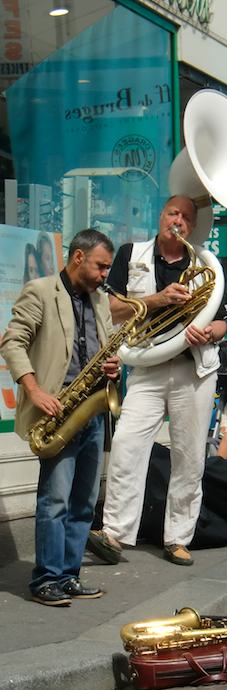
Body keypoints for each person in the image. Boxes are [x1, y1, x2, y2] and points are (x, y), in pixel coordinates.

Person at [86, 195, 227, 568]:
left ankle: (178, 538)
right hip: (146, 364)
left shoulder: (206, 264)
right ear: (161, 217)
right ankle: (114, 533)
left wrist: (210, 332)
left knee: (189, 455)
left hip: (193, 368)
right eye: (172, 213)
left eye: (184, 217)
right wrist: (158, 299)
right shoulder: (131, 254)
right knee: (128, 443)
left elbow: (223, 320)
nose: (177, 221)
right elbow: (110, 308)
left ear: (193, 226)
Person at [0, 229, 119, 606]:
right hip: (58, 410)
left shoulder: (100, 301)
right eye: (101, 266)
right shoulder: (40, 290)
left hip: (92, 410)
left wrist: (112, 368)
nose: (105, 275)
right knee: (55, 501)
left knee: (84, 502)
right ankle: (45, 579)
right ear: (79, 257)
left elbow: (100, 348)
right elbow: (12, 341)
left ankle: (69, 575)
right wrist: (35, 391)